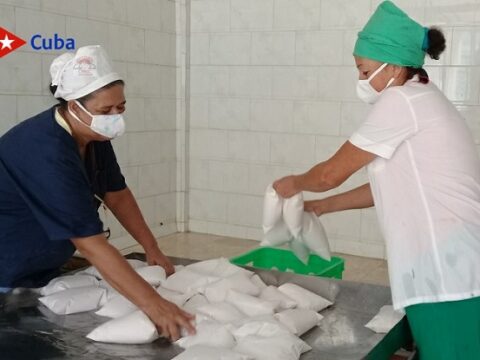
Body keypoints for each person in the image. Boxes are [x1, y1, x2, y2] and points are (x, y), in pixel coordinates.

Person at [273, 1, 480, 359]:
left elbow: (329, 174)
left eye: (364, 70)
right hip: (451, 264)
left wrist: (295, 182)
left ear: (394, 66)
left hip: (450, 275)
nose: (361, 80)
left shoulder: (401, 102)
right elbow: (389, 185)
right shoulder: (423, 98)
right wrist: (322, 207)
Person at [0, 45, 195, 340]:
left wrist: (151, 248)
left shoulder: (93, 135)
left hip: (41, 268)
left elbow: (116, 193)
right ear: (74, 106)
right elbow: (90, 243)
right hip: (7, 265)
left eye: (121, 107)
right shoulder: (45, 150)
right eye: (106, 110)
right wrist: (155, 306)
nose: (116, 117)